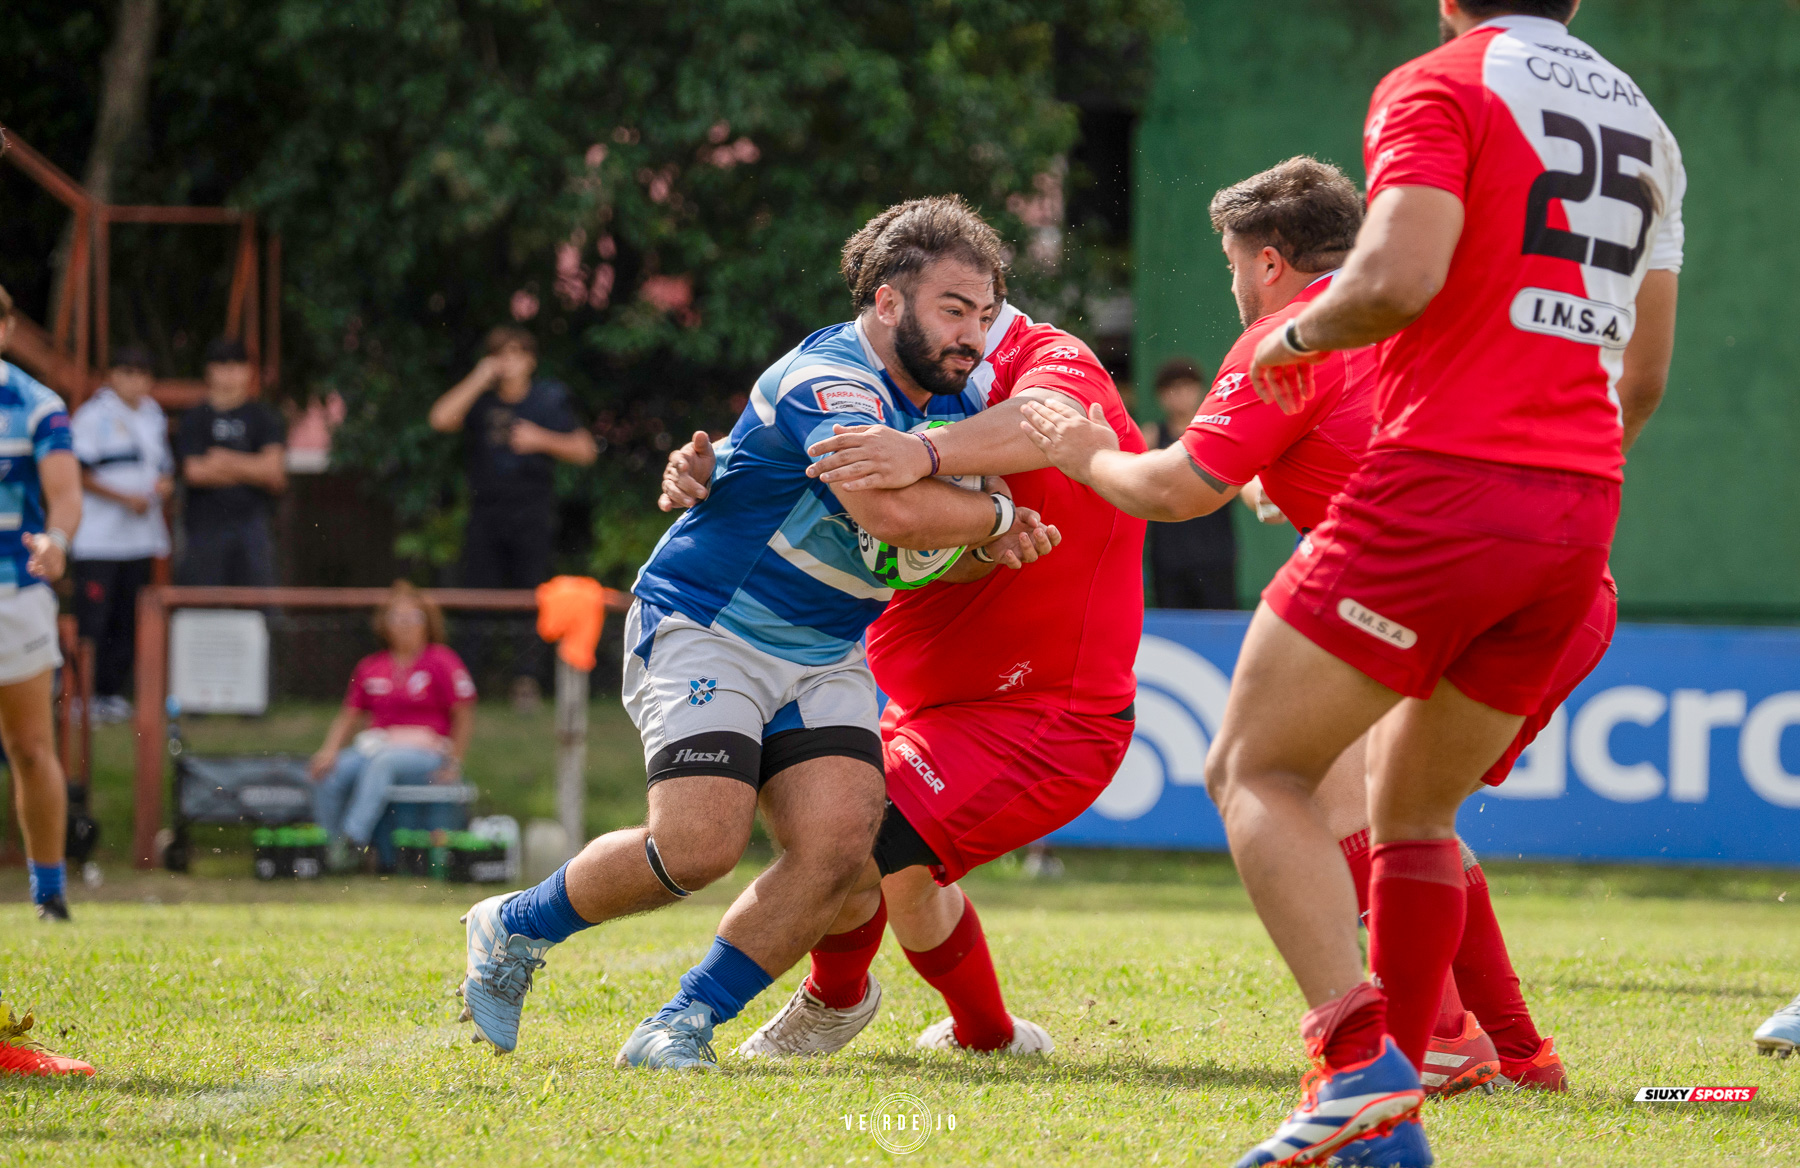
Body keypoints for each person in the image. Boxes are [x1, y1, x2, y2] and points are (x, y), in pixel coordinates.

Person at [1027, 153, 1681, 1107]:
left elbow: (1172, 491)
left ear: (1267, 261)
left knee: (1305, 787)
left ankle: (1427, 1043)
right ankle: (1511, 1049)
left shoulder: (1294, 333)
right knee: (1411, 815)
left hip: (1441, 595)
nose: (1235, 284)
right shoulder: (1427, 311)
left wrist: (1086, 452)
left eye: (1233, 264)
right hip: (1566, 588)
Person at [1193, 4, 1685, 1164]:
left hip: (1446, 488)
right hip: (1578, 512)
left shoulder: (1441, 82)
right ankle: (1403, 1095)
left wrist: (1294, 340)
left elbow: (1396, 277)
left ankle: (1364, 1062)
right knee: (1411, 812)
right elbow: (1643, 378)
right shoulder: (1645, 121)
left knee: (1260, 768)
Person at [455, 196, 1059, 1070]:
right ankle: (514, 924)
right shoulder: (831, 380)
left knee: (841, 850)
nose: (972, 335)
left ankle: (682, 1024)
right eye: (953, 310)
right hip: (711, 623)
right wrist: (996, 514)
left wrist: (987, 537)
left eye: (984, 314)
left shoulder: (956, 397)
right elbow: (887, 513)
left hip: (826, 649)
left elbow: (929, 546)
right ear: (889, 301)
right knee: (698, 846)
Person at [659, 290, 1147, 1060]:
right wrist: (713, 464)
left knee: (856, 844)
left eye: (966, 310)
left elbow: (1045, 420)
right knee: (904, 878)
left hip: (1047, 716)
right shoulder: (897, 376)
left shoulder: (1046, 356)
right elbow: (812, 447)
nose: (955, 331)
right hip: (926, 703)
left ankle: (796, 1004)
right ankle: (989, 1037)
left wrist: (920, 454)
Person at [0, 285, 94, 1076]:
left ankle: (49, 889)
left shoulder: (37, 404)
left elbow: (65, 498)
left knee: (31, 747)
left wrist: (57, 541)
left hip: (14, 594)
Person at [428, 326, 596, 704]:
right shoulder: (481, 402)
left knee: (531, 601)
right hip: (485, 515)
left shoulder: (547, 400)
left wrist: (541, 439)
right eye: (500, 354)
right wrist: (478, 377)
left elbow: (586, 450)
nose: (508, 362)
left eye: (516, 353)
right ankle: (465, 683)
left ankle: (526, 682)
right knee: (475, 599)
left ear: (530, 360)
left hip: (533, 515)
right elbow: (440, 419)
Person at [309, 582, 476, 871]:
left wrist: (454, 762)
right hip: (378, 745)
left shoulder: (442, 661)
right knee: (328, 773)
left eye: (413, 618)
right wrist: (329, 751)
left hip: (426, 753)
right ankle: (331, 849)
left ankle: (354, 838)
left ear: (427, 623)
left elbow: (464, 714)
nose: (405, 625)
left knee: (383, 762)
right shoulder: (370, 666)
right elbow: (349, 715)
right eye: (397, 618)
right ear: (384, 625)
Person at [69, 342, 173, 722]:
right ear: (112, 376)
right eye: (127, 373)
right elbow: (78, 473)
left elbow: (163, 468)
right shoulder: (91, 416)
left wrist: (163, 488)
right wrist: (124, 498)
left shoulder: (153, 415)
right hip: (99, 539)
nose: (134, 381)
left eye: (142, 374)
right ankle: (80, 696)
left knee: (126, 620)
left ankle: (110, 694)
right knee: (92, 620)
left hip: (140, 538)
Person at [176, 337, 286, 586]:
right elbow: (195, 473)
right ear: (209, 370)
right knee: (202, 602)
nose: (230, 373)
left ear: (248, 371)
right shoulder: (194, 417)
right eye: (222, 365)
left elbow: (273, 473)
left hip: (253, 525)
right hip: (205, 527)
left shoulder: (264, 416)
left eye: (237, 365)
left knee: (259, 601)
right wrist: (253, 468)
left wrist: (222, 459)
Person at [1143, 357, 1237, 609]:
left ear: (1199, 390)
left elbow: (1242, 484)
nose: (1180, 394)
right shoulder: (1151, 436)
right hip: (1168, 556)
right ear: (1161, 395)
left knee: (1219, 622)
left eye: (1187, 386)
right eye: (1172, 388)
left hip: (1215, 554)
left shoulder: (1217, 434)